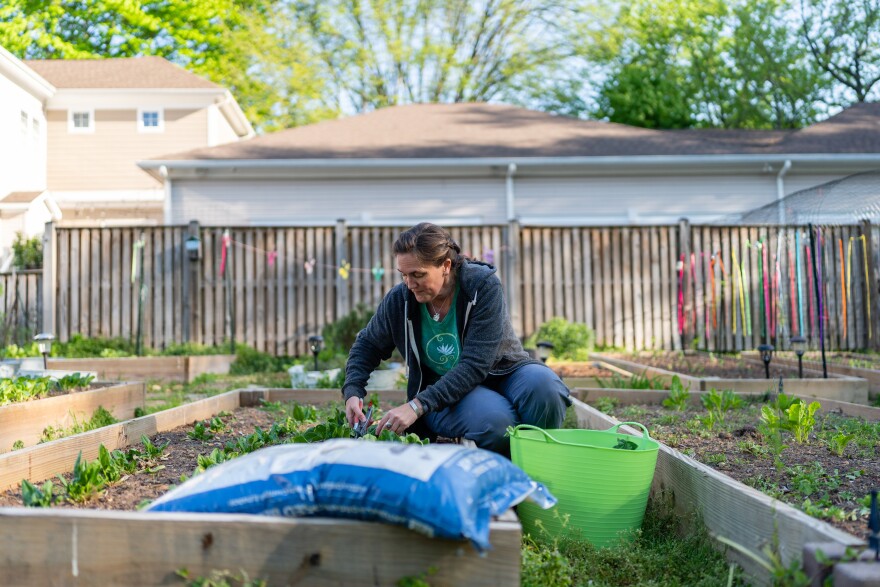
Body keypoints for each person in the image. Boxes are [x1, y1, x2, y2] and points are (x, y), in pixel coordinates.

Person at [342, 222, 571, 456]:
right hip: (442, 393)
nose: (409, 284)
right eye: (404, 275)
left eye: (418, 274)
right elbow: (367, 344)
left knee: (545, 387)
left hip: (503, 372)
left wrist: (413, 406)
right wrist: (353, 391)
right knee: (498, 424)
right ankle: (505, 473)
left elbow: (475, 364)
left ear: (445, 266)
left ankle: (541, 462)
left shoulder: (480, 286)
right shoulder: (400, 300)